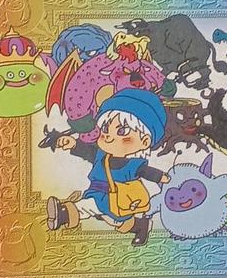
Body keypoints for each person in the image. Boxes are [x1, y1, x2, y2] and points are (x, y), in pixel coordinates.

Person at [45, 89, 169, 246]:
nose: (109, 136)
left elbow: (145, 171)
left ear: (144, 141)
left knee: (89, 207)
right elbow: (86, 151)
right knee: (114, 222)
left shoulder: (133, 164)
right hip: (97, 192)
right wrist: (73, 144)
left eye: (122, 131)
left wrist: (160, 176)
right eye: (105, 129)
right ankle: (141, 226)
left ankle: (63, 214)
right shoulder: (100, 155)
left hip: (115, 198)